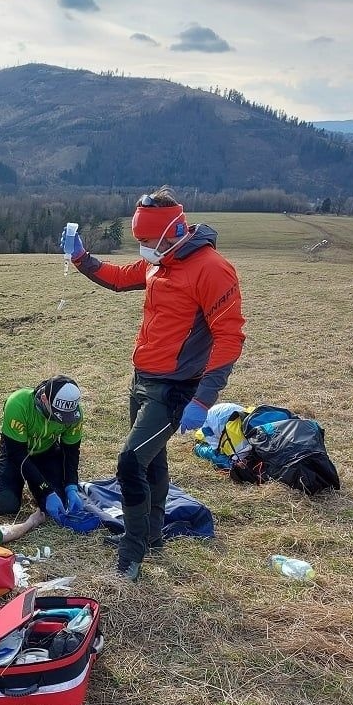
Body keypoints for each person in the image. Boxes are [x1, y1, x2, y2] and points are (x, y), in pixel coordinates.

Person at [62, 187, 245, 580]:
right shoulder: (160, 262)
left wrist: (203, 398)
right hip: (142, 380)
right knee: (151, 460)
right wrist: (81, 258)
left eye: (145, 241)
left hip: (175, 389)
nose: (142, 249)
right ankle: (153, 533)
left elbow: (230, 338)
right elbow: (118, 278)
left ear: (171, 231)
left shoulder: (213, 269)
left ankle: (131, 553)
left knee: (130, 462)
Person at [0, 376, 84, 526]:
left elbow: (71, 452)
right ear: (44, 399)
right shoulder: (18, 404)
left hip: (47, 452)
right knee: (5, 505)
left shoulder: (75, 414)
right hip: (17, 454)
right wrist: (46, 490)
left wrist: (71, 485)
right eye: (57, 415)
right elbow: (17, 454)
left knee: (60, 503)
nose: (61, 420)